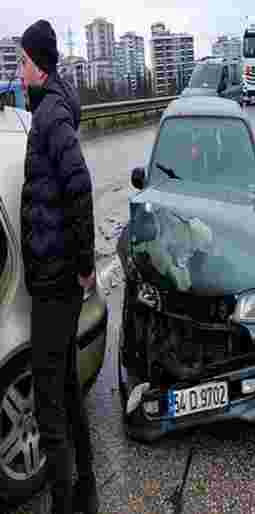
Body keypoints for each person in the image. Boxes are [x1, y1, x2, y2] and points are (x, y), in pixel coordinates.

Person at [18, 19, 99, 514]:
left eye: (23, 61)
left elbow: (80, 187)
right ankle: (87, 484)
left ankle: (65, 502)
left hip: (55, 283)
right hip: (56, 279)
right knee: (67, 388)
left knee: (49, 403)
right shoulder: (48, 110)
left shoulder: (51, 117)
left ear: (40, 66)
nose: (18, 68)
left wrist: (86, 265)